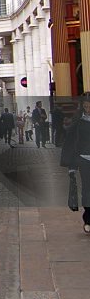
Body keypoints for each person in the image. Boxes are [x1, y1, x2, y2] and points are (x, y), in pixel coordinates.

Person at [60, 93, 90, 234]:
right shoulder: (78, 121)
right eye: (86, 105)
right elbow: (71, 143)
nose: (88, 107)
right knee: (87, 190)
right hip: (84, 160)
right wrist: (71, 166)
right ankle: (88, 219)